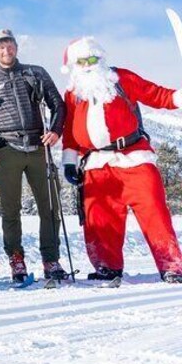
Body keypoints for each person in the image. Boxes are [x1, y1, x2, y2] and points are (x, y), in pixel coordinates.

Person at [60, 36, 182, 283]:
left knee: (154, 210)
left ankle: (172, 265)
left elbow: (157, 95)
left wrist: (178, 97)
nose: (88, 65)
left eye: (92, 59)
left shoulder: (121, 79)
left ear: (101, 58)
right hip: (96, 163)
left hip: (134, 157)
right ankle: (107, 267)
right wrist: (69, 160)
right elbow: (70, 129)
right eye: (81, 61)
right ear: (74, 65)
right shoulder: (73, 93)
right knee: (99, 217)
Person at [0, 28, 67, 282]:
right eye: (1, 46)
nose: (6, 50)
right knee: (10, 209)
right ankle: (16, 259)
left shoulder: (35, 73)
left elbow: (58, 104)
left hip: (38, 146)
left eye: (10, 45)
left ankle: (51, 259)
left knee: (50, 207)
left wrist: (56, 131)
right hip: (5, 149)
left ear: (16, 46)